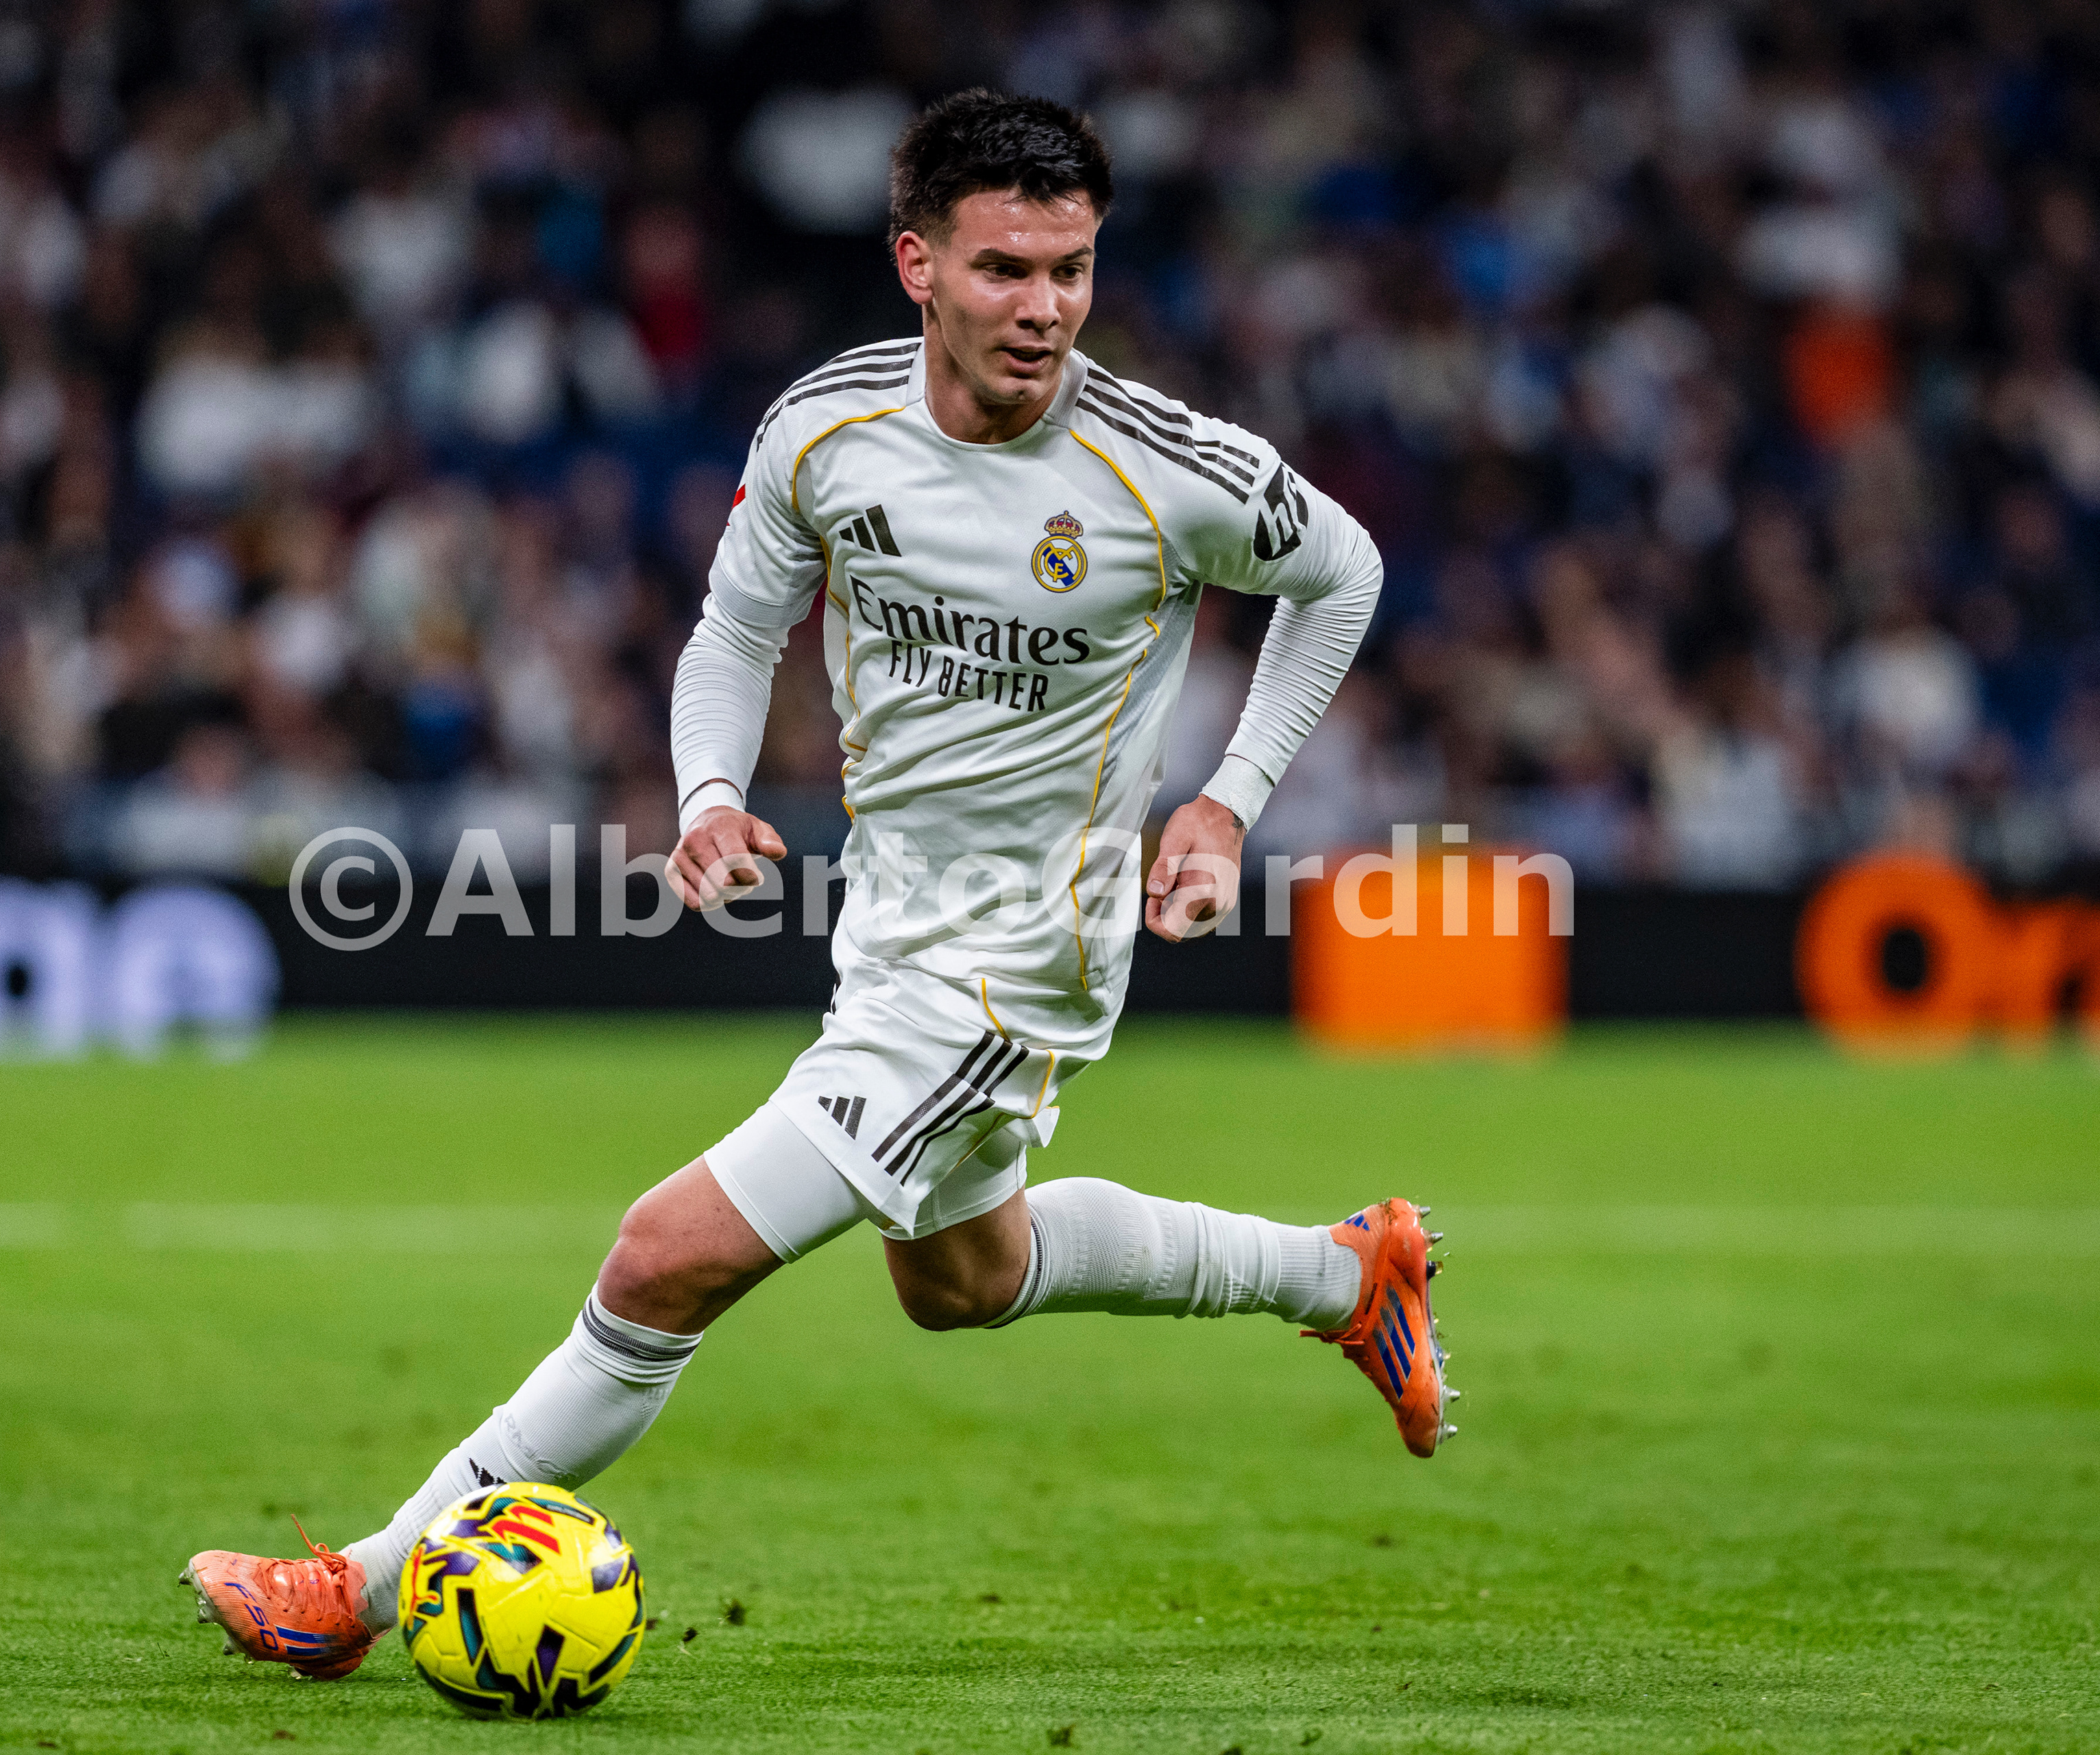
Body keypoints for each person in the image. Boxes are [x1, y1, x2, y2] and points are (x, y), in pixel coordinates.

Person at [182, 90, 1453, 1680]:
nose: (1045, 308)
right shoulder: (825, 429)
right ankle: (1346, 1271)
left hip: (1019, 958)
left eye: (1070, 269)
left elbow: (1345, 567)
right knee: (966, 1278)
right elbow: (734, 631)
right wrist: (710, 793)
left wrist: (1226, 798)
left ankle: (354, 1591)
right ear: (919, 264)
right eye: (1004, 268)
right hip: (889, 928)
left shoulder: (1160, 464)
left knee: (663, 1254)